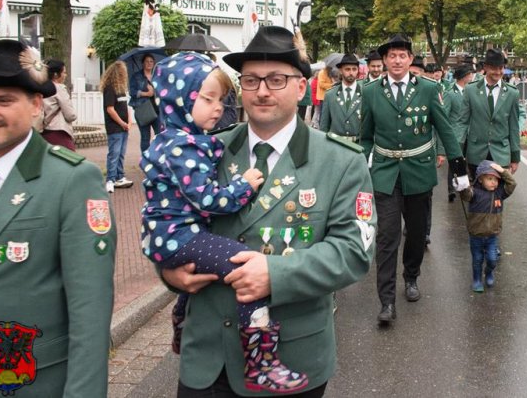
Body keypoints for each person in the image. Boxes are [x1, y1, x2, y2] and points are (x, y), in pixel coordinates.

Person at [161, 26, 376, 397]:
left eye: (276, 79)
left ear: (300, 87)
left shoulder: (340, 161)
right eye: (251, 80)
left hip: (292, 359)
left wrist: (275, 273)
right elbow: (167, 222)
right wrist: (168, 270)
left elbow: (353, 251)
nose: (262, 90)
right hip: (207, 358)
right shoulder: (202, 152)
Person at [141, 52, 308, 393]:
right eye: (207, 99)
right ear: (179, 100)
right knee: (244, 266)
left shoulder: (185, 139)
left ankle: (180, 324)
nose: (218, 108)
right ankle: (261, 362)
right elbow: (208, 200)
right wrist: (242, 185)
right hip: (179, 236)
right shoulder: (183, 146)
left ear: (301, 87)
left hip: (172, 236)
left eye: (220, 99)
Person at [0, 39, 115, 397]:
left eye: (3, 100)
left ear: (36, 104)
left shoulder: (71, 179)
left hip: (23, 381)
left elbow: (90, 311)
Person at [360, 34, 468, 324]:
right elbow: (366, 136)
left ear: (410, 60)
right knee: (387, 236)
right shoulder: (370, 91)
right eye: (391, 56)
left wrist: (459, 167)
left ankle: (411, 276)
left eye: (402, 56)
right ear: (384, 60)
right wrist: (358, 168)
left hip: (419, 171)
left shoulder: (429, 89)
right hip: (384, 173)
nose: (397, 60)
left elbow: (444, 129)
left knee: (417, 233)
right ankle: (386, 301)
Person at [459, 48, 522, 178]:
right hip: (476, 153)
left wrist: (515, 157)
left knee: (498, 195)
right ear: (486, 67)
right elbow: (462, 122)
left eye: (501, 68)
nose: (498, 72)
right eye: (494, 68)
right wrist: (458, 151)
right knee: (477, 195)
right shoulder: (470, 90)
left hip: (501, 153)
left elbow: (514, 126)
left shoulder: (512, 93)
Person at [458, 160, 516, 292]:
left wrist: (502, 171)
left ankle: (489, 272)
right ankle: (477, 279)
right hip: (476, 235)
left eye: (496, 179)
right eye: (489, 179)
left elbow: (512, 184)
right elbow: (465, 194)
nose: (493, 182)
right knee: (477, 259)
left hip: (492, 236)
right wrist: (461, 186)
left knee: (492, 260)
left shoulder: (499, 193)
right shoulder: (474, 193)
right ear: (480, 180)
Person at [101, 60, 133, 193]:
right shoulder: (110, 88)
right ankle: (110, 179)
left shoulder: (121, 90)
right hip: (115, 128)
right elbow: (110, 109)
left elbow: (126, 108)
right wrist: (121, 123)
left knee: (121, 153)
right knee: (114, 153)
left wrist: (129, 121)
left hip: (124, 127)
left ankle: (120, 176)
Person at [444, 65, 473, 202]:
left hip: (470, 133)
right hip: (456, 134)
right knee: (455, 162)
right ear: (465, 77)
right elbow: (444, 115)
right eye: (470, 74)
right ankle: (451, 189)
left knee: (469, 160)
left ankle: (466, 187)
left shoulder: (471, 92)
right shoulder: (450, 93)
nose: (472, 77)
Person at [319, 54, 362, 142]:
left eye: (354, 69)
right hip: (336, 145)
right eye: (347, 69)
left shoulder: (366, 93)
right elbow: (324, 126)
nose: (351, 72)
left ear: (358, 70)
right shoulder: (330, 95)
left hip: (359, 146)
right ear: (341, 70)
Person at [41, 58, 77, 150]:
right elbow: (70, 115)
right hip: (59, 132)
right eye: (64, 72)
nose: (65, 75)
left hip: (44, 132)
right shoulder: (59, 88)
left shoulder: (41, 87)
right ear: (56, 74)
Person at [129, 53, 161, 153]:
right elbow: (132, 92)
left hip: (157, 110)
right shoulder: (136, 76)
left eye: (151, 61)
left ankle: (157, 158)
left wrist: (156, 91)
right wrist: (146, 93)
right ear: (142, 63)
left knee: (160, 135)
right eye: (147, 61)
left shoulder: (157, 76)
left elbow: (163, 91)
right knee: (145, 137)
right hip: (143, 110)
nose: (149, 63)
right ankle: (146, 161)